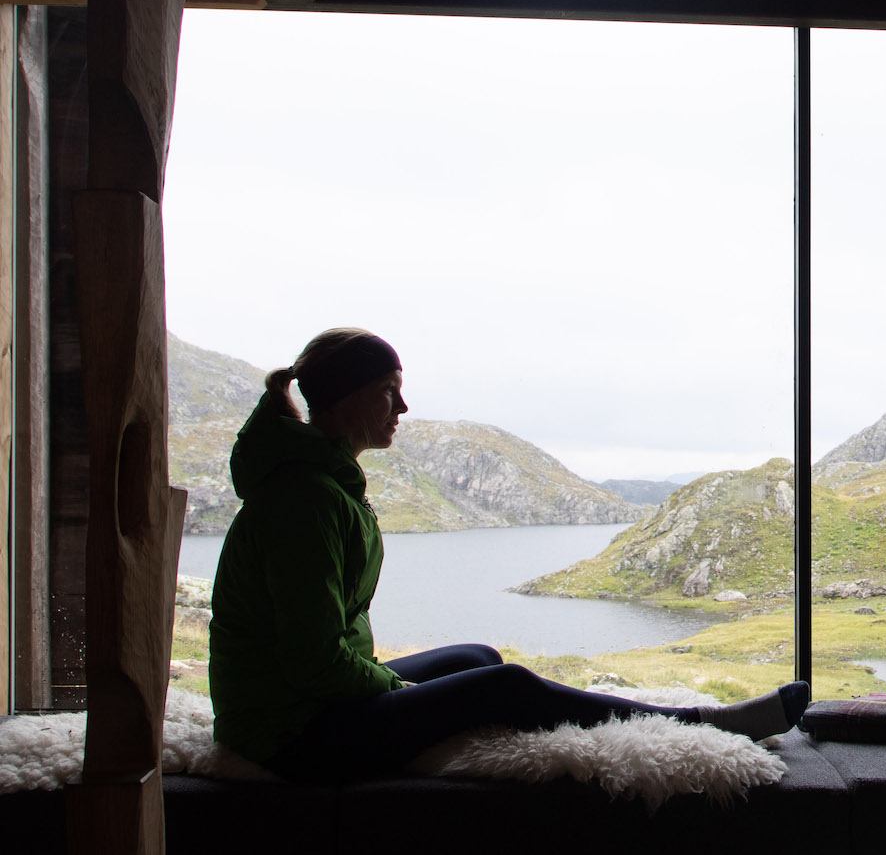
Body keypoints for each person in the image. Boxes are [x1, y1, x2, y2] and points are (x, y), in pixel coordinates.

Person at [208, 327, 808, 782]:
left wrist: (389, 688)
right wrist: (391, 691)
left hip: (307, 705)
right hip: (289, 733)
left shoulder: (321, 485)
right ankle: (703, 726)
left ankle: (673, 719)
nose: (403, 408)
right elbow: (312, 664)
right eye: (389, 392)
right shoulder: (304, 500)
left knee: (478, 657)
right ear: (345, 398)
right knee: (505, 685)